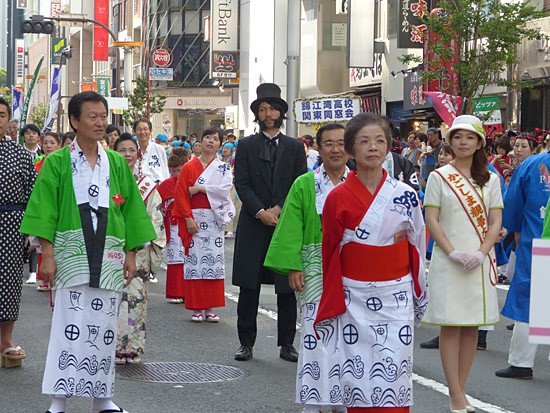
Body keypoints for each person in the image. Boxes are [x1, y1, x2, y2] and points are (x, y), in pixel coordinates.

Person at [19, 91, 156, 413]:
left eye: (103, 116)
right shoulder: (56, 162)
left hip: (108, 253)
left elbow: (131, 210)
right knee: (68, 324)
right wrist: (47, 255)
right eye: (92, 116)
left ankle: (102, 398)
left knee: (105, 327)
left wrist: (131, 254)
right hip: (70, 252)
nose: (99, 122)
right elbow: (45, 210)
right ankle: (59, 399)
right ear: (74, 121)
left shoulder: (116, 163)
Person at [313, 113, 427, 412]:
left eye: (380, 141)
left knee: (395, 369)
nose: (373, 147)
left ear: (389, 147)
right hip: (354, 296)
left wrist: (419, 290)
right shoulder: (337, 197)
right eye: (364, 141)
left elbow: (417, 245)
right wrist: (334, 294)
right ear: (351, 149)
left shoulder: (405, 195)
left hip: (396, 294)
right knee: (356, 371)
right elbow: (330, 250)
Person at [264, 123, 349, 413]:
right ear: (318, 149)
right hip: (315, 263)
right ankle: (312, 400)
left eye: (341, 143)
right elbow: (291, 227)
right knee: (315, 331)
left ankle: (341, 398)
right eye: (329, 144)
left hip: (353, 267)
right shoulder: (305, 183)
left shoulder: (360, 182)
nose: (336, 149)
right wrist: (294, 266)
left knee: (349, 334)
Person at [422, 115, 502, 413]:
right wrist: (453, 252)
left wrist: (481, 252)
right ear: (450, 142)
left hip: (479, 261)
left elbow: (496, 221)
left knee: (470, 326)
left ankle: (462, 389)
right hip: (449, 259)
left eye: (469, 138)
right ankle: (454, 393)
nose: (463, 143)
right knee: (451, 325)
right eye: (457, 137)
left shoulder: (491, 179)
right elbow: (432, 219)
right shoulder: (438, 176)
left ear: (480, 142)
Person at [232, 82, 307, 362]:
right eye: (263, 109)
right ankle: (246, 343)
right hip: (254, 223)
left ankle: (287, 343)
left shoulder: (295, 146)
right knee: (248, 287)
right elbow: (242, 182)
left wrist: (279, 209)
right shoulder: (246, 145)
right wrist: (260, 211)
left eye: (272, 108)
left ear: (280, 113)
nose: (268, 114)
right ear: (257, 114)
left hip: (285, 224)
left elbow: (300, 182)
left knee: (287, 287)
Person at [495, 150, 550, 380]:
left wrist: (517, 232)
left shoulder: (533, 164)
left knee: (530, 302)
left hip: (538, 242)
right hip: (537, 240)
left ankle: (521, 363)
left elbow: (513, 203)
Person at [114, 134, 166, 365]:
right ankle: (112, 344)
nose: (127, 155)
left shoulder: (147, 185)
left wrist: (142, 241)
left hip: (139, 248)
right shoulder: (108, 179)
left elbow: (156, 216)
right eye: (122, 150)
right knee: (112, 296)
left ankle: (133, 346)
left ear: (138, 154)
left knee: (136, 297)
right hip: (112, 247)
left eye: (131, 150)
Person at [174, 127, 235, 322]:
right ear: (200, 141)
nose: (211, 141)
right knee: (195, 262)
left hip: (213, 218)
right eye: (207, 137)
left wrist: (200, 188)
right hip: (195, 218)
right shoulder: (189, 167)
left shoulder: (223, 167)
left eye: (215, 139)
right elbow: (181, 193)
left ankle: (210, 307)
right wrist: (188, 217)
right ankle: (197, 308)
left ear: (220, 144)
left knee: (213, 263)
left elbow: (224, 189)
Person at [0, 97, 36, 369]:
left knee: (10, 282)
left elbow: (34, 196)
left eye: (1, 115)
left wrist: (31, 230)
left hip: (12, 223)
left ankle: (6, 339)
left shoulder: (22, 155)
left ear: (9, 120)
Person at [158, 148, 188, 304]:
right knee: (175, 258)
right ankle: (175, 292)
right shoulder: (165, 185)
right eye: (174, 171)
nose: (177, 174)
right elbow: (158, 205)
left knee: (187, 258)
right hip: (172, 225)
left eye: (180, 170)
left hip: (187, 224)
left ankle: (187, 291)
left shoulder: (191, 182)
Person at [133, 118, 170, 183]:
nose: (142, 132)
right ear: (134, 131)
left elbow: (165, 171)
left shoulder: (159, 149)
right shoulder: (131, 149)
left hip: (157, 189)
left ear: (150, 131)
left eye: (145, 129)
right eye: (139, 129)